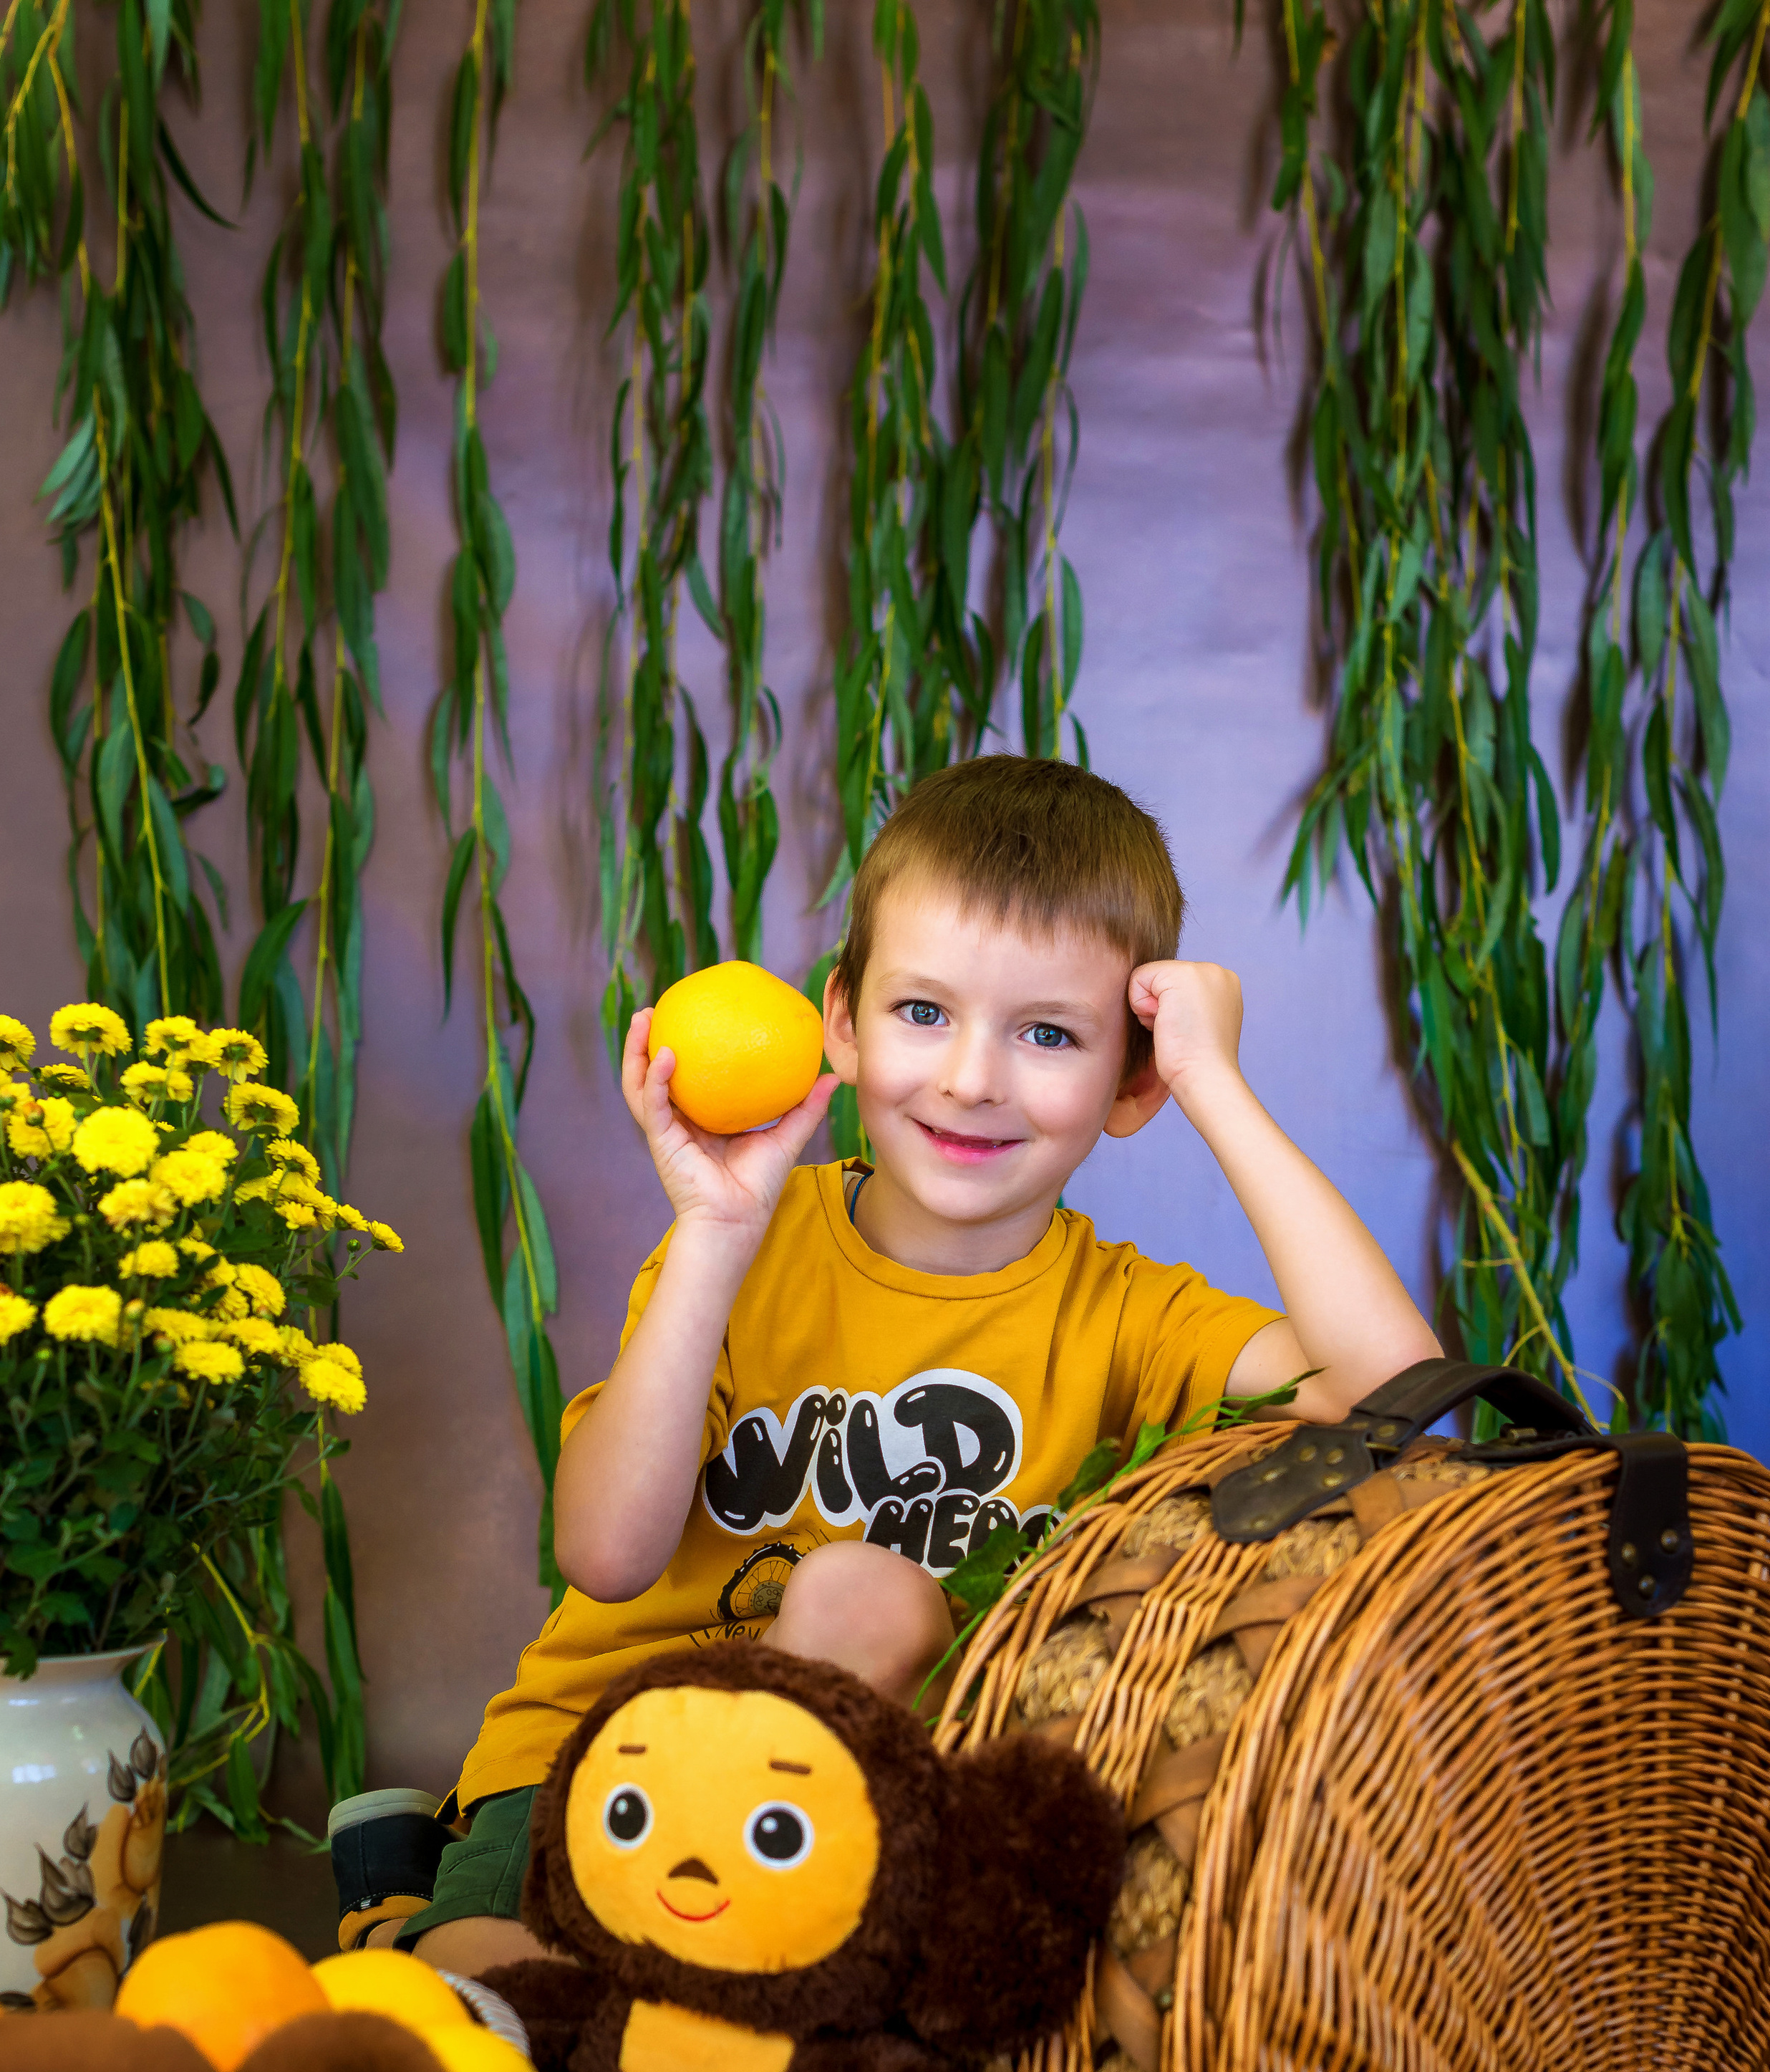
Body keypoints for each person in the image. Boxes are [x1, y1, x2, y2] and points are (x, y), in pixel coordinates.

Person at [332, 756, 1438, 1967]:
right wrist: (713, 1237)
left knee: (871, 1608)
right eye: (926, 1013)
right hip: (611, 1752)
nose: (973, 1078)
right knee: (490, 2006)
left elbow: (1394, 1402)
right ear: (842, 1025)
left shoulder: (1124, 1312)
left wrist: (1214, 1083)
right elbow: (602, 1552)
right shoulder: (744, 1248)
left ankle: (443, 1896)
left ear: (1130, 1082)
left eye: (1050, 1034)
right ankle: (436, 1899)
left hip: (867, 1811)